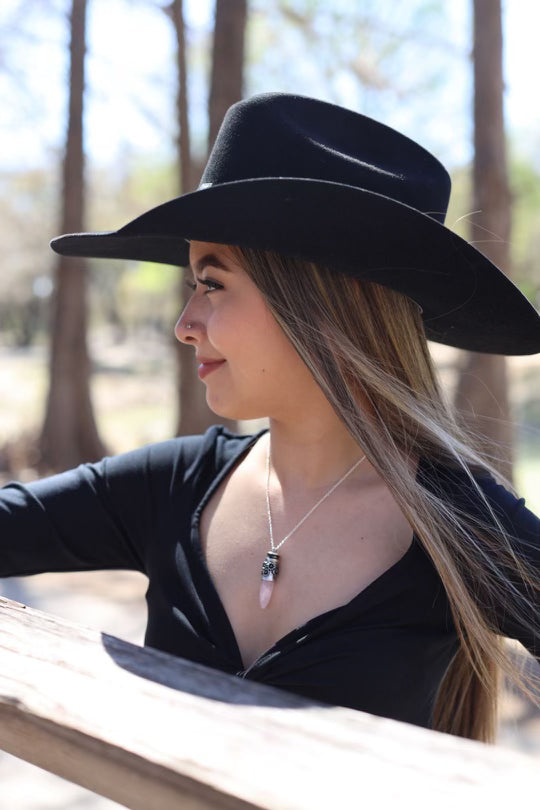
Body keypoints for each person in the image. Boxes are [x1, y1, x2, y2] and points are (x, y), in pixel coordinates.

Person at [1, 93, 539, 744]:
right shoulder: (171, 486)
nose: (184, 325)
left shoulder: (464, 523)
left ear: (319, 306)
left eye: (212, 283)